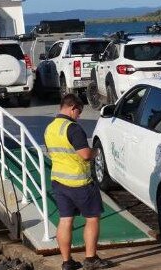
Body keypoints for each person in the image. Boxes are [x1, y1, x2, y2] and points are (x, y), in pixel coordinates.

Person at [44, 94, 112, 270]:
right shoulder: (73, 128)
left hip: (59, 181)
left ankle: (67, 262)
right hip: (80, 182)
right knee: (92, 219)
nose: (79, 116)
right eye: (79, 112)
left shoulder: (50, 128)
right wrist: (96, 151)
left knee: (65, 220)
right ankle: (91, 259)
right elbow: (85, 154)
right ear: (72, 107)